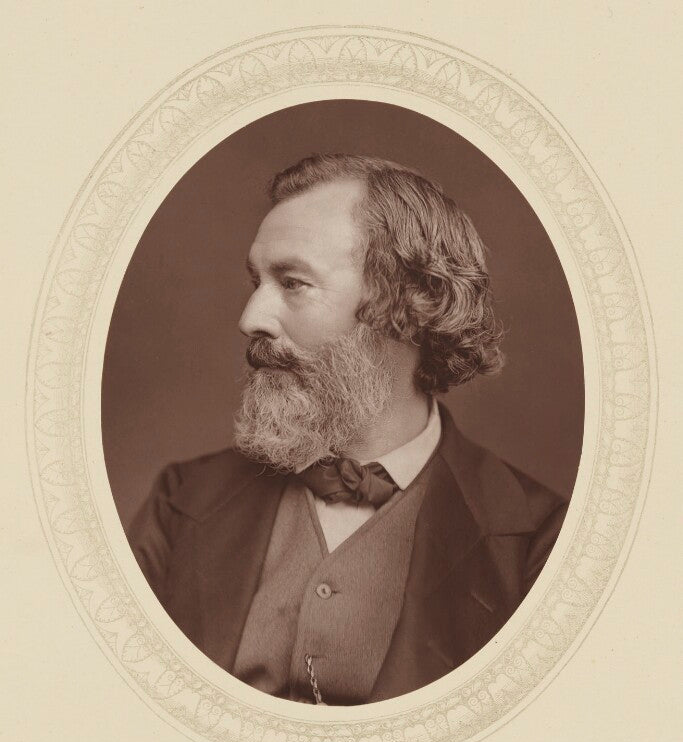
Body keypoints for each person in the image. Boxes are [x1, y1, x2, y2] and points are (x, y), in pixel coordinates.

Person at [127, 153, 567, 706]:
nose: (250, 318)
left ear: (407, 302)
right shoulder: (184, 501)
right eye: (257, 282)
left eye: (293, 283)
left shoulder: (540, 544)